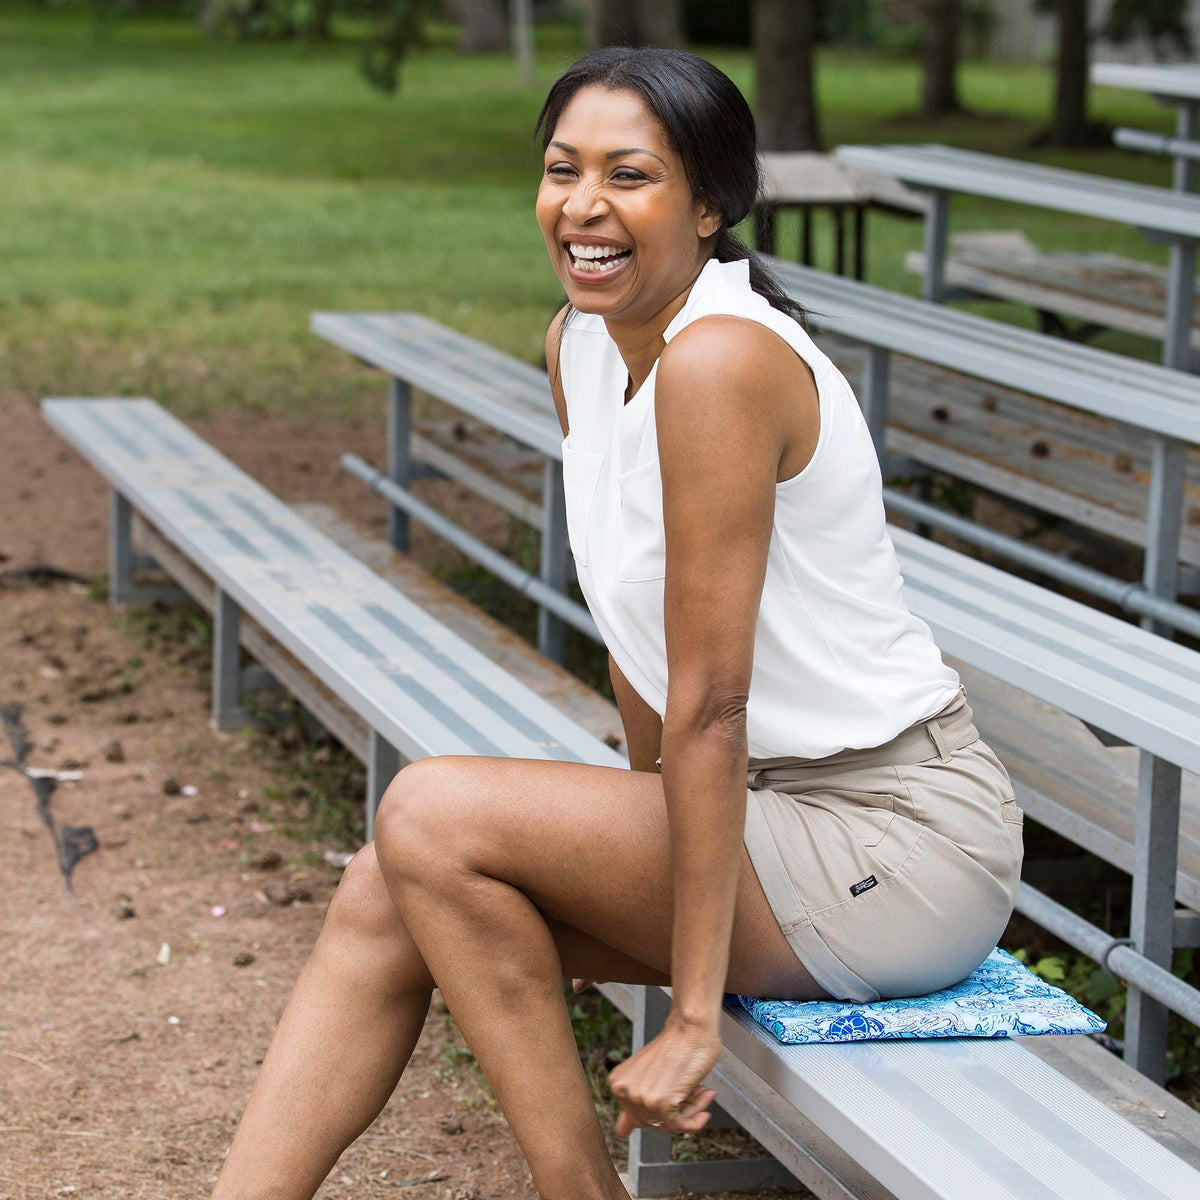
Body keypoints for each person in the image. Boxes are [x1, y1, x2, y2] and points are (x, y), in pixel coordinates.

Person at [211, 46, 1023, 1200]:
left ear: (708, 206)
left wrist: (693, 1014)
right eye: (561, 170)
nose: (583, 207)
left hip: (894, 843)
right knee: (387, 889)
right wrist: (632, 818)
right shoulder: (581, 345)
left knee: (430, 809)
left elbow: (711, 701)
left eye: (629, 176)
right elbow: (639, 629)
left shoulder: (723, 362)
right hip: (768, 817)